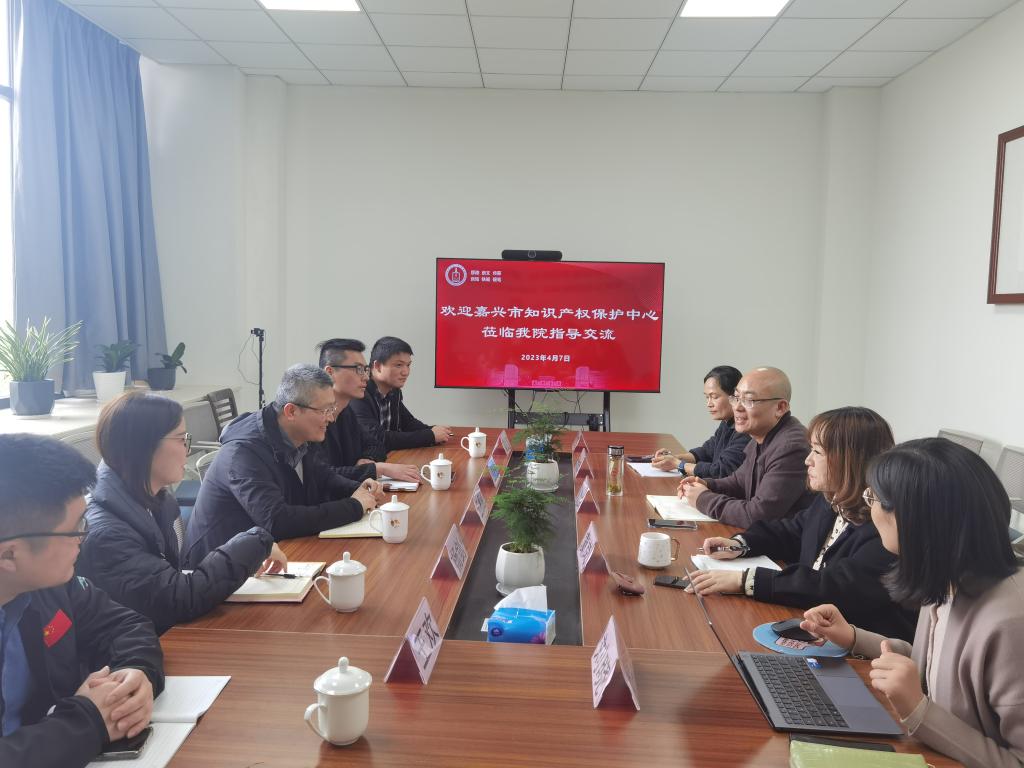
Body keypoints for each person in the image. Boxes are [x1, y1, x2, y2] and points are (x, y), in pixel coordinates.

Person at [801, 438, 1024, 768]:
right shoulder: (949, 576)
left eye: (873, 498)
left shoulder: (1010, 624)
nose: (870, 508)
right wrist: (854, 637)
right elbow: (935, 667)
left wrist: (918, 709)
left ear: (915, 519)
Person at [0, 434, 164, 768]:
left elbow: (125, 625)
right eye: (74, 530)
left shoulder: (48, 585)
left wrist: (134, 672)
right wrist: (86, 721)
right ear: (9, 555)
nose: (83, 539)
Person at [689, 407, 915, 641]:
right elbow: (791, 532)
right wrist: (741, 544)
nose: (808, 460)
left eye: (817, 451)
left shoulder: (886, 526)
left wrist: (745, 580)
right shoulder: (832, 500)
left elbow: (832, 586)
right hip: (811, 623)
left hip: (860, 650)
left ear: (849, 460)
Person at [76, 392, 288, 635]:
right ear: (143, 447)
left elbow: (169, 581)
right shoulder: (108, 535)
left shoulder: (156, 499)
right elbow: (178, 599)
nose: (187, 450)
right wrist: (256, 543)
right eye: (180, 439)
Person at [182, 364, 381, 568]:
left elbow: (322, 475)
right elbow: (277, 520)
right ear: (291, 411)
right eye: (324, 410)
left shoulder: (297, 433)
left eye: (331, 408)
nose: (330, 417)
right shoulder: (243, 453)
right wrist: (354, 506)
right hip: (215, 568)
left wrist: (356, 489)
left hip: (266, 555)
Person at [678, 366, 814, 527]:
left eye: (749, 400)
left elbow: (758, 515)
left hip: (782, 541)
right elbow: (738, 482)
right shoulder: (761, 434)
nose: (737, 407)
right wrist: (707, 484)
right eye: (736, 398)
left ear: (780, 407)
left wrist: (703, 498)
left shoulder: (790, 447)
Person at [316, 338, 421, 484]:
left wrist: (368, 460)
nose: (366, 377)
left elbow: (376, 444)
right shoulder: (312, 417)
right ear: (330, 372)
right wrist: (377, 469)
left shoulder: (346, 412)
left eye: (365, 369)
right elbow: (321, 476)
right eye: (358, 369)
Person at [349, 336, 453, 452]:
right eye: (399, 365)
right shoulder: (359, 393)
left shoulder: (393, 391)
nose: (406, 372)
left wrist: (434, 430)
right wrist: (430, 435)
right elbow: (377, 438)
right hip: (366, 460)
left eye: (408, 365)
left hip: (389, 457)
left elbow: (408, 423)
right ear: (377, 366)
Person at [651, 365, 749, 479]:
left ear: (735, 396)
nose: (709, 404)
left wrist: (679, 465)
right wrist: (674, 458)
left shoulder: (745, 429)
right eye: (707, 397)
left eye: (714, 397)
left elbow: (720, 470)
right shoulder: (727, 422)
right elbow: (707, 452)